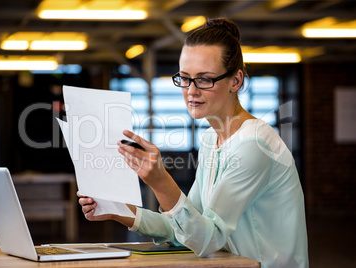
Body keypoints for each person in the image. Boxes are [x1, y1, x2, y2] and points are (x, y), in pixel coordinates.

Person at [78, 17, 308, 268]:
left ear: (236, 81)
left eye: (205, 79)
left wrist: (160, 180)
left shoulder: (254, 145)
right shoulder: (212, 138)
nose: (191, 90)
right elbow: (188, 227)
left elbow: (207, 239)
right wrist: (118, 209)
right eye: (185, 78)